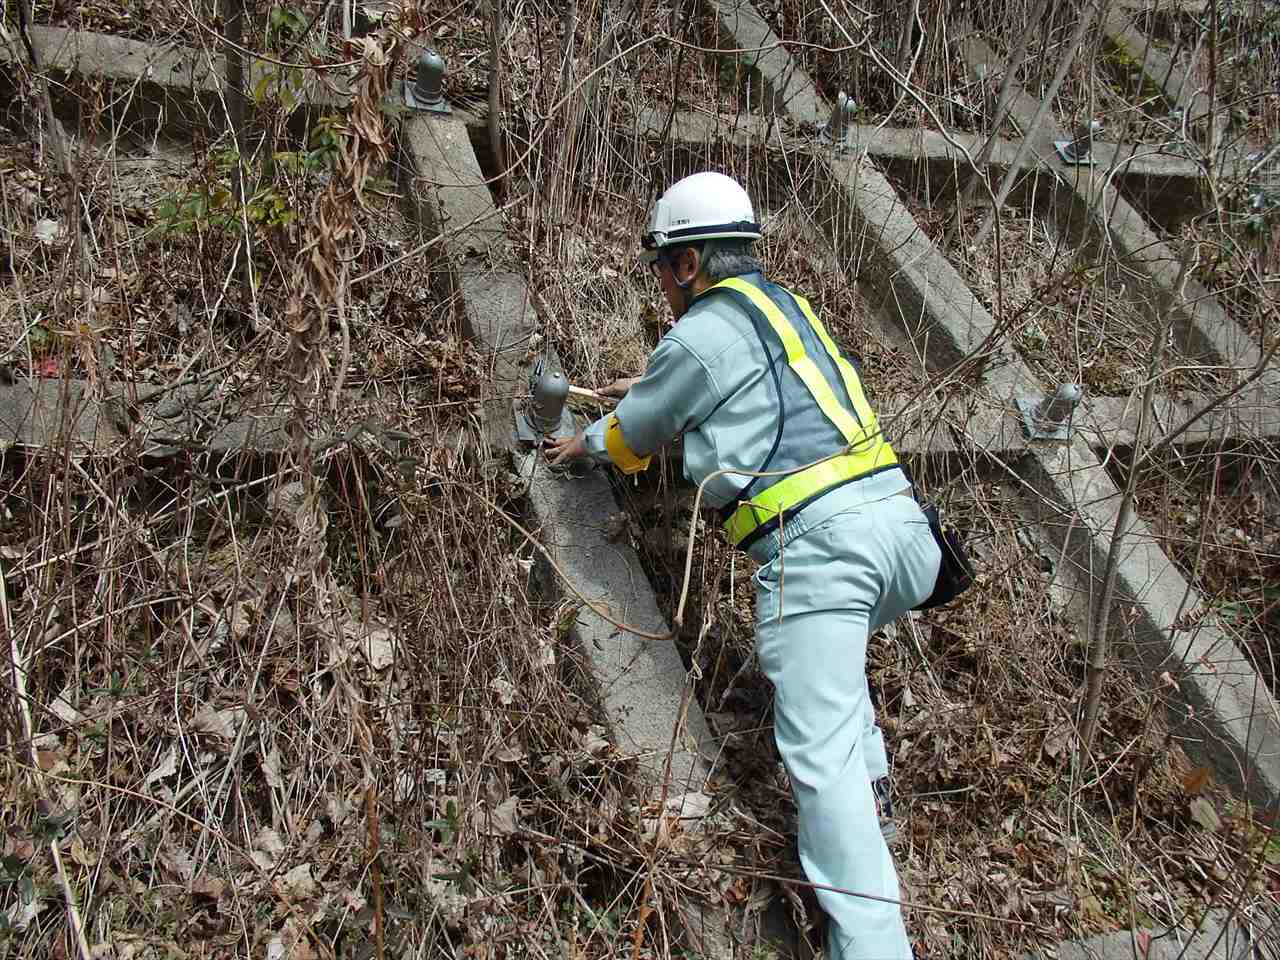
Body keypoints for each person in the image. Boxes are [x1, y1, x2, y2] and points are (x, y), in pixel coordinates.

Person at [545, 171, 939, 960]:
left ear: (688, 263)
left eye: (662, 265)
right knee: (838, 683)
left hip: (824, 553)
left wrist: (579, 441)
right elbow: (758, 394)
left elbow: (635, 435)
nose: (660, 283)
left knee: (818, 760)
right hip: (904, 536)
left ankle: (872, 945)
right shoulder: (787, 308)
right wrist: (655, 384)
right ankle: (879, 803)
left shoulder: (697, 334)